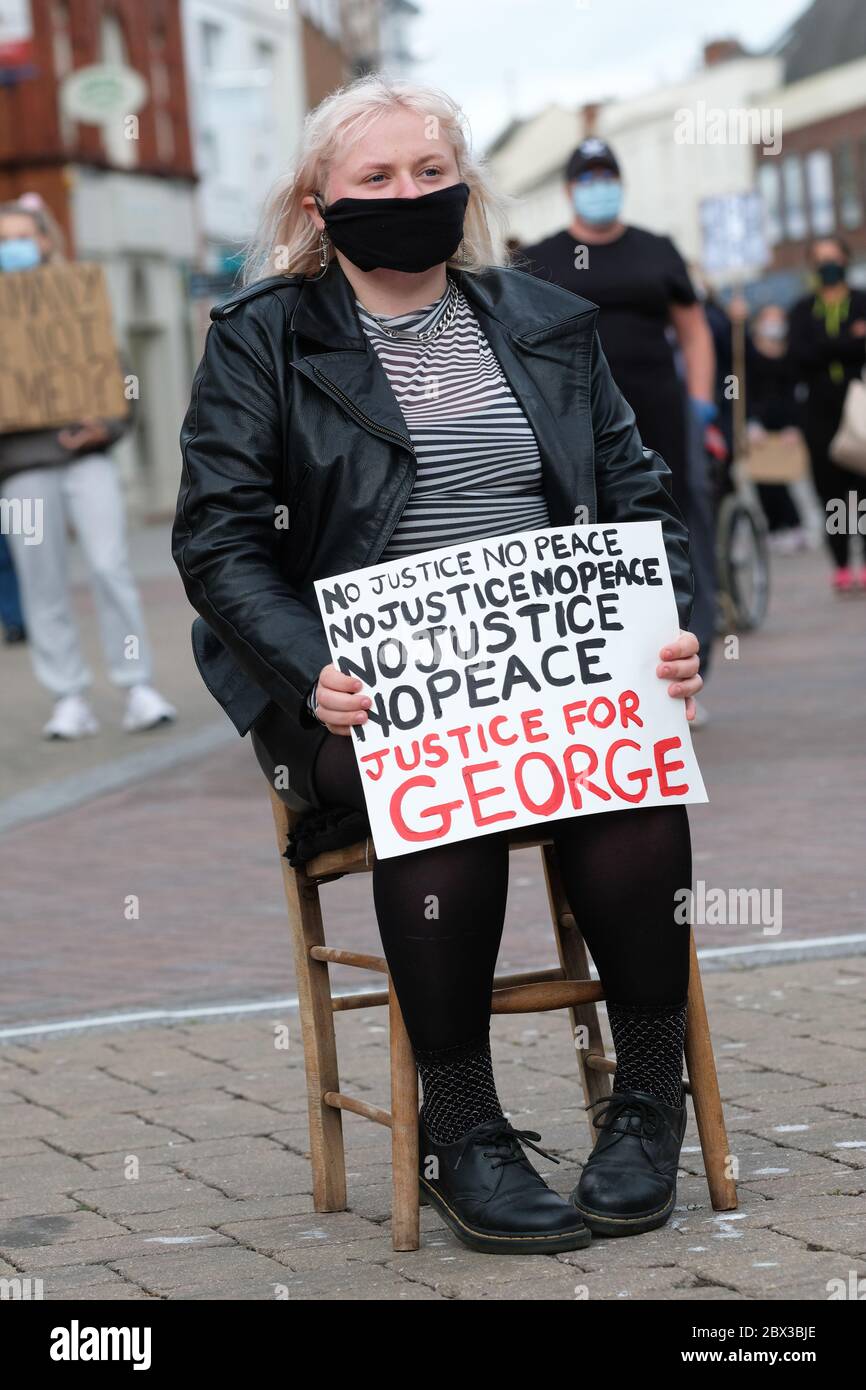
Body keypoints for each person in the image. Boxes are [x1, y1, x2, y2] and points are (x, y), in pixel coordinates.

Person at [173, 76, 704, 1253]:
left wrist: (661, 631)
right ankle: (462, 1125)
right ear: (320, 203)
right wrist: (310, 667)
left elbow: (638, 497)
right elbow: (215, 538)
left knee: (631, 774)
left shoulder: (541, 322)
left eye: (426, 171)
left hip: (554, 663)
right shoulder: (263, 336)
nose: (405, 193)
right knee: (444, 789)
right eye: (374, 177)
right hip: (357, 693)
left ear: (460, 186)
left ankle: (642, 1100)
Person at [0, 195, 176, 738]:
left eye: (22, 236)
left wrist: (111, 424)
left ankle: (137, 684)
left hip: (88, 460)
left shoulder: (79, 303)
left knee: (109, 567)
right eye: (4, 240)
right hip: (20, 468)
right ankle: (67, 696)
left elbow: (121, 382)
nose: (13, 248)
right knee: (39, 578)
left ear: (47, 241)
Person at [518, 137, 716, 523]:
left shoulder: (658, 249)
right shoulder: (540, 259)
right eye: (587, 178)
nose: (599, 186)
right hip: (578, 418)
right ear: (569, 190)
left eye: (607, 176)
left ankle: (692, 585)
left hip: (660, 409)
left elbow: (694, 332)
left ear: (621, 183)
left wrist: (701, 401)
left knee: (675, 511)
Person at [787, 236, 866, 593]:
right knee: (831, 492)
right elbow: (800, 355)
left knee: (862, 491)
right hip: (819, 414)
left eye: (833, 258)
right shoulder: (802, 309)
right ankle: (841, 564)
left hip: (859, 409)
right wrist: (848, 343)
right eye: (821, 260)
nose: (828, 265)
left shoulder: (861, 301)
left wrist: (830, 348)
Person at [746, 304, 807, 553]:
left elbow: (797, 391)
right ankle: (773, 527)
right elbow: (742, 389)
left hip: (785, 425)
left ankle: (793, 525)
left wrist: (795, 424)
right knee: (762, 479)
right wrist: (750, 422)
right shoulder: (748, 354)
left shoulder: (791, 353)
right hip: (759, 425)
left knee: (783, 478)